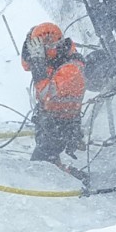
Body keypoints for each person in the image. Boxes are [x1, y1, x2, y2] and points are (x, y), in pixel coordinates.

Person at [21, 22, 86, 174]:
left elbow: (46, 95)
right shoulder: (55, 58)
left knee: (40, 167)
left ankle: (74, 179)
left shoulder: (71, 69)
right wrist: (28, 42)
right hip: (49, 119)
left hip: (62, 125)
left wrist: (38, 63)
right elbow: (26, 65)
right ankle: (58, 167)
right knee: (45, 160)